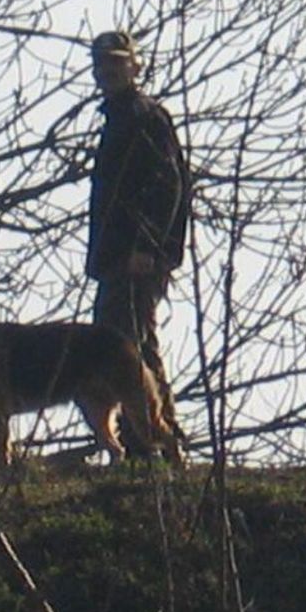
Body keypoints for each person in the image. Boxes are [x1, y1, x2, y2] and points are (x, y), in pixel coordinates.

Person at [86, 29, 190, 450]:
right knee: (116, 346)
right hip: (114, 256)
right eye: (102, 64)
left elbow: (169, 187)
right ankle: (139, 437)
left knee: (132, 346)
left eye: (116, 62)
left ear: (135, 66)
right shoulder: (117, 119)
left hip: (136, 257)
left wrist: (148, 248)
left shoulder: (145, 117)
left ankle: (159, 438)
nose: (108, 71)